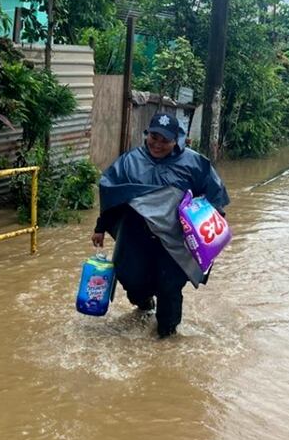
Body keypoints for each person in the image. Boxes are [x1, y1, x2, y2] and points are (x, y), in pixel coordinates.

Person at [92, 113, 230, 338]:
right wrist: (100, 227)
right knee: (131, 281)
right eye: (153, 137)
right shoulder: (130, 161)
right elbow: (112, 194)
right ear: (147, 134)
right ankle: (145, 305)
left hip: (176, 241)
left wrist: (212, 226)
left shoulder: (194, 164)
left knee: (169, 287)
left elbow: (214, 198)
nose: (157, 144)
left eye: (165, 140)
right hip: (136, 236)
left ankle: (167, 337)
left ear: (177, 140)